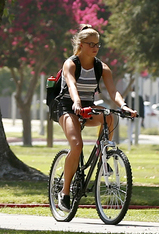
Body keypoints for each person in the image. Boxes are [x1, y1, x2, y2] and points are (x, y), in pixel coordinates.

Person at [52, 25, 134, 210]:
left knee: (110, 117)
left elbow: (113, 92)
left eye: (98, 44)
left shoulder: (102, 67)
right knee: (77, 145)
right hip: (68, 106)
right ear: (81, 45)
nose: (95, 48)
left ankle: (103, 157)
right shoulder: (71, 63)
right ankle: (64, 193)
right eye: (91, 44)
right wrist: (77, 102)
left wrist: (124, 106)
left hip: (88, 107)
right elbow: (72, 85)